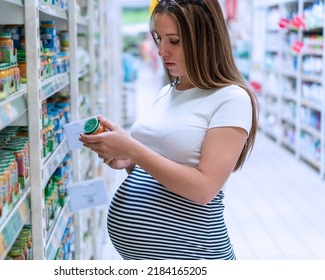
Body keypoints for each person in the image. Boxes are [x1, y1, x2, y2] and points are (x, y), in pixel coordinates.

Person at [79, 0, 258, 260]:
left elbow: (204, 189)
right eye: (159, 39)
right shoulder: (169, 91)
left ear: (206, 39)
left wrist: (134, 149)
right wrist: (128, 160)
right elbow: (165, 167)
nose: (161, 51)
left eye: (174, 41)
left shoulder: (231, 99)